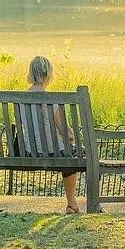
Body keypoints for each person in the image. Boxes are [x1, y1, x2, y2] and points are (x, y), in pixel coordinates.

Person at [25, 54, 81, 213]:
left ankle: (73, 203)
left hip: (30, 152)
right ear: (48, 74)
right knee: (76, 154)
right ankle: (73, 203)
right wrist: (72, 137)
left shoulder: (20, 100)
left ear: (31, 73)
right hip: (52, 152)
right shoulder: (51, 99)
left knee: (69, 153)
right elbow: (65, 131)